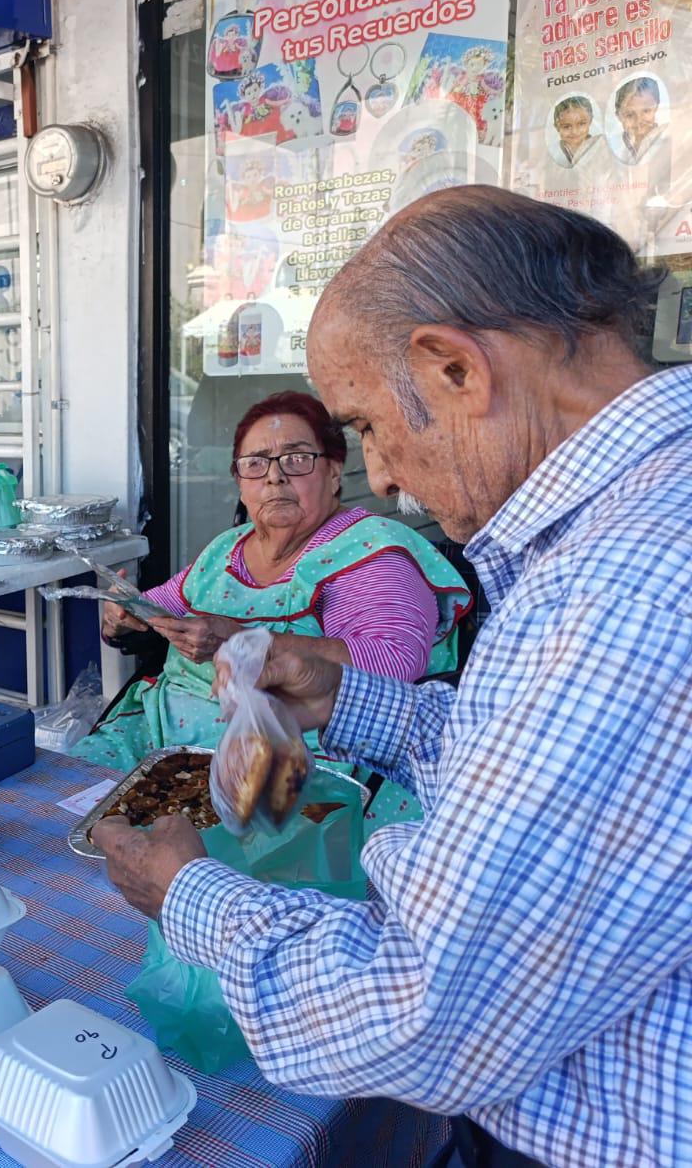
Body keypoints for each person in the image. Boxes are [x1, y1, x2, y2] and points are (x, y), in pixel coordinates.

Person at [94, 187, 691, 1168]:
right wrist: (351, 700)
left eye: (362, 428)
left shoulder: (619, 589)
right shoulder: (624, 534)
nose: (389, 475)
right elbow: (537, 763)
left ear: (453, 367)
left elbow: (424, 1010)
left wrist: (185, 892)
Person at [79, 390, 469, 793]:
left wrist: (244, 640)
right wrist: (122, 616)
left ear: (335, 472)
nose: (274, 475)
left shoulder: (370, 550)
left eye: (297, 458)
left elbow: (394, 664)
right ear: (240, 481)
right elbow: (157, 607)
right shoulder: (227, 548)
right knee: (58, 802)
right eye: (255, 463)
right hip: (157, 734)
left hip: (294, 762)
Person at [613, 76, 665, 166]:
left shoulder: (665, 139)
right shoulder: (617, 147)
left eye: (646, 111)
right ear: (619, 116)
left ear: (656, 108)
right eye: (629, 115)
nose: (639, 121)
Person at [552, 95, 601, 169]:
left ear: (590, 120)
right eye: (566, 126)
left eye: (581, 124)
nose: (575, 131)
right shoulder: (554, 154)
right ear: (557, 127)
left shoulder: (601, 146)